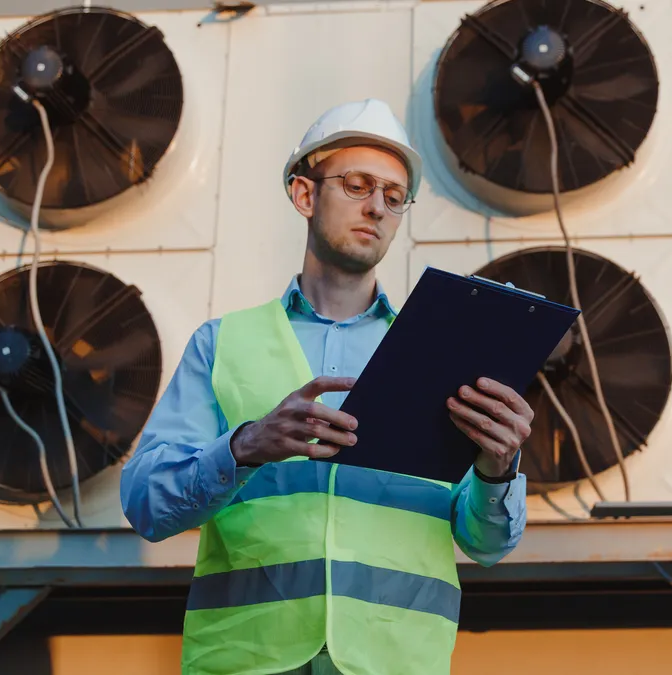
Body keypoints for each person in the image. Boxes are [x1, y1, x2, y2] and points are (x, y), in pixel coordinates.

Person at [119, 98, 531, 675]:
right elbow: (145, 506)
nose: (377, 208)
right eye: (359, 185)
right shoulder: (223, 344)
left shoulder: (439, 353)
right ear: (304, 195)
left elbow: (486, 544)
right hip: (247, 662)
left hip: (395, 663)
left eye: (393, 197)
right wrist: (243, 448)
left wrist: (499, 467)